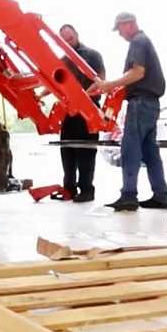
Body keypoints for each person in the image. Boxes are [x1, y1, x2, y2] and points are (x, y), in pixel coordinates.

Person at [87, 12, 167, 211]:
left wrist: (109, 85)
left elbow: (138, 72)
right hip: (150, 103)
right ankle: (161, 195)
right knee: (150, 152)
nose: (120, 34)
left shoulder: (138, 42)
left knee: (130, 148)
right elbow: (136, 75)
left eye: (120, 29)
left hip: (140, 103)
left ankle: (129, 196)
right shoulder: (144, 41)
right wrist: (109, 87)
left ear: (129, 24)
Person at [58, 24, 105, 203]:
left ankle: (86, 190)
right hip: (69, 111)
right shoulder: (63, 60)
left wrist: (84, 97)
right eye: (64, 39)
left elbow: (101, 80)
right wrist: (40, 93)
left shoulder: (93, 55)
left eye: (70, 38)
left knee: (86, 151)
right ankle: (68, 189)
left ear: (76, 35)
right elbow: (56, 80)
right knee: (67, 150)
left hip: (89, 110)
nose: (68, 41)